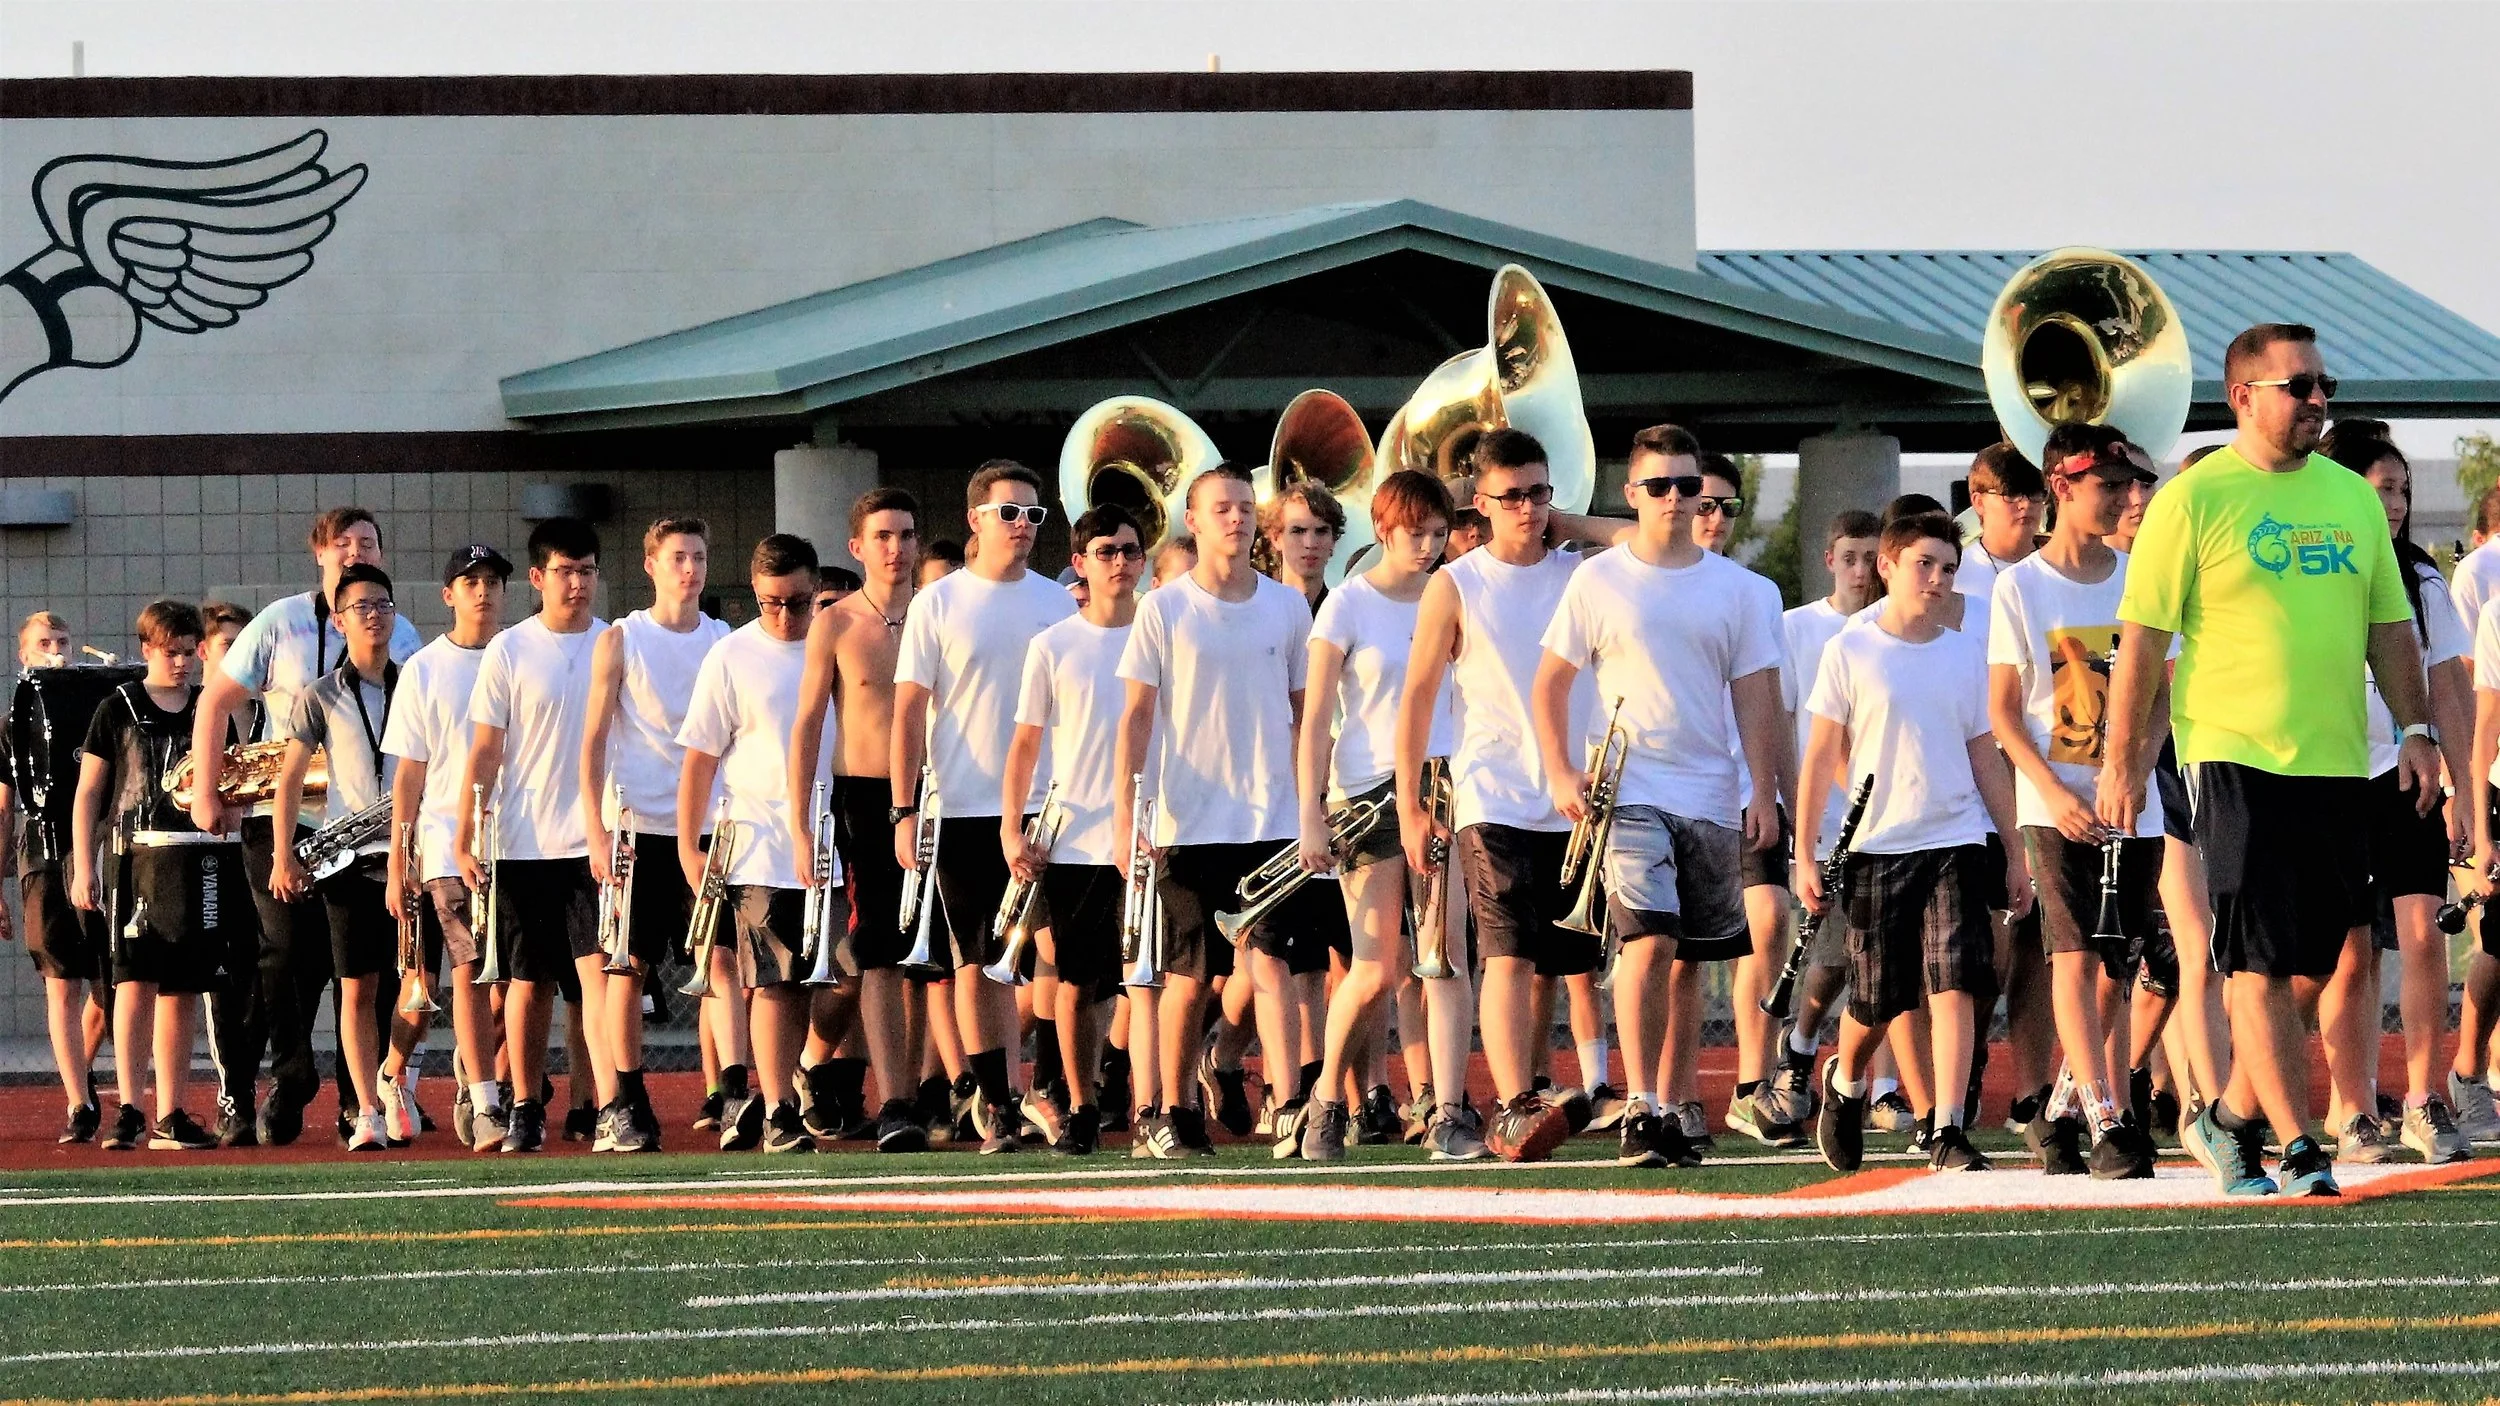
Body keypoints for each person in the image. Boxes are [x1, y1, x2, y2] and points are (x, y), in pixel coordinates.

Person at [2105, 322, 2439, 1199]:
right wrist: (2120, 759)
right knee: (2253, 963)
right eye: (2299, 386)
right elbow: (2142, 642)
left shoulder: (2351, 498)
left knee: (2321, 964)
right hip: (2230, 754)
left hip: (2335, 762)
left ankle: (2231, 1116)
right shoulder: (2193, 499)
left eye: (2323, 383)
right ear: (2245, 395)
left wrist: (2417, 729)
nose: (2318, 400)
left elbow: (2389, 628)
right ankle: (2300, 1145)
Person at [1535, 439, 1784, 1170]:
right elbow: (1551, 681)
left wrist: (1763, 791)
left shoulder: (1737, 589)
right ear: (1632, 492)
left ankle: (1674, 1108)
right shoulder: (1597, 581)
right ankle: (1640, 1107)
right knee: (1649, 941)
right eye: (1659, 486)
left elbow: (1757, 696)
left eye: (1686, 485)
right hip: (1630, 790)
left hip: (1710, 793)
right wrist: (1558, 768)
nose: (1675, 498)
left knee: (1689, 962)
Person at [1799, 512, 2032, 1173]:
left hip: (1959, 837)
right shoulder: (1851, 646)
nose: (1937, 579)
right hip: (1879, 845)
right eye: (1924, 564)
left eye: (1948, 568)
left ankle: (1947, 1128)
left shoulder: (1966, 653)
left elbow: (1984, 753)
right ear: (1888, 566)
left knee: (1958, 978)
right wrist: (1803, 856)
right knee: (1879, 996)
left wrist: (2014, 850)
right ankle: (1844, 1082)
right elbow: (1822, 754)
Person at [188, 507, 422, 1147]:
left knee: (371, 966)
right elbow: (214, 701)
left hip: (370, 825)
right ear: (319, 551)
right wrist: (208, 791)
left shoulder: (402, 634)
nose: (354, 552)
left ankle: (362, 1100)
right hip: (283, 821)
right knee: (286, 954)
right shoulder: (279, 621)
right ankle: (290, 1079)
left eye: (368, 543)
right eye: (342, 543)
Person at [1396, 428, 1586, 1164]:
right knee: (1505, 952)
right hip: (1492, 791)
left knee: (1554, 964)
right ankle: (1510, 1107)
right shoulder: (1458, 582)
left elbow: (1647, 536)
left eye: (1541, 494)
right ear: (1482, 503)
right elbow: (1415, 697)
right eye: (1513, 497)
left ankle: (1530, 1087)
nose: (1530, 509)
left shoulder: (1581, 574)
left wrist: (1569, 525)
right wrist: (1412, 806)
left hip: (1571, 795)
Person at [1114, 463, 1311, 1158]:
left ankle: (1290, 1106)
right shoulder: (1164, 608)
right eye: (1220, 508)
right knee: (1188, 976)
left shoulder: (1288, 606)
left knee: (1270, 966)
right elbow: (1136, 715)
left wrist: (1311, 807)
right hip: (1186, 820)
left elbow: (1301, 715)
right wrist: (1125, 816)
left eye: (1244, 507)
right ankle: (1171, 1109)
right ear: (1193, 521)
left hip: (1271, 819)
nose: (1237, 518)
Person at [1987, 423, 2167, 1178]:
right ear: (2062, 485)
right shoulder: (2020, 585)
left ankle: (2061, 1113)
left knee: (2116, 966)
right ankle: (2106, 1115)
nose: (2126, 499)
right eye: (2109, 486)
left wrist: (2134, 767)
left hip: (2133, 803)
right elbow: (2002, 710)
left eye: (2130, 486)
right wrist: (2055, 793)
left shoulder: (2139, 576)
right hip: (2056, 805)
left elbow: (2161, 692)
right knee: (2072, 951)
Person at [1296, 471, 1485, 1162]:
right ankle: (1324, 1100)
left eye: (1440, 534)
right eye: (1416, 534)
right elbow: (1315, 720)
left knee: (1445, 960)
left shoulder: (1462, 591)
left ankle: (1448, 1112)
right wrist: (1310, 815)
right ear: (1382, 529)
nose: (1430, 547)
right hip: (1365, 794)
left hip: (1445, 789)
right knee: (1375, 968)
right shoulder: (1346, 604)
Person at [892, 461, 1077, 1153]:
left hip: (1050, 807)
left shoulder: (1058, 605)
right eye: (1010, 513)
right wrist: (902, 809)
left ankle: (1054, 1087)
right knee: (979, 960)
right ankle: (995, 1101)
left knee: (1060, 957)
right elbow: (908, 711)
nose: (1024, 526)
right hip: (965, 805)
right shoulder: (937, 604)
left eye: (1034, 515)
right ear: (976, 519)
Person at [2314, 428, 2475, 1165]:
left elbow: (2449, 686)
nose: (2398, 503)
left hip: (2409, 777)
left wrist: (2464, 789)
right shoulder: (2313, 571)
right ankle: (2352, 1107)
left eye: (2403, 489)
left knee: (2422, 935)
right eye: (2383, 487)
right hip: (2333, 778)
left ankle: (2420, 1099)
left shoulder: (2423, 580)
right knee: (2349, 955)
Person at [456, 517, 611, 1155]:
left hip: (596, 841)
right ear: (540, 579)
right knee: (527, 981)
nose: (577, 584)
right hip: (522, 842)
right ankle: (524, 1104)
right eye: (564, 572)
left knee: (600, 974)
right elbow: (486, 750)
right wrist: (466, 831)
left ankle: (609, 1102)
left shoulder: (615, 642)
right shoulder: (511, 650)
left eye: (588, 571)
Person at [792, 487, 938, 1152]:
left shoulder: (942, 613)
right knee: (879, 950)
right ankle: (897, 1101)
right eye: (883, 535)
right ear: (858, 546)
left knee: (937, 956)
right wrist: (801, 825)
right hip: (866, 798)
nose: (897, 548)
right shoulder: (838, 622)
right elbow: (806, 726)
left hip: (945, 795)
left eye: (907, 535)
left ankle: (943, 1090)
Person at [578, 518, 730, 1154]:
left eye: (698, 556)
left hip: (711, 828)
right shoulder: (622, 639)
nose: (689, 569)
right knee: (627, 967)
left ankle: (732, 1092)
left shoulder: (724, 639)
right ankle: (624, 1100)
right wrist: (595, 829)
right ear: (651, 566)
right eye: (676, 558)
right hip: (638, 826)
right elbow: (589, 742)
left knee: (723, 962)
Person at [678, 533, 833, 1154]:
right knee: (771, 981)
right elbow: (699, 758)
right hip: (759, 842)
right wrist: (690, 845)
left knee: (822, 983)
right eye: (771, 603)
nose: (785, 616)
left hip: (831, 835)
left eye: (797, 602)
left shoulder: (834, 642)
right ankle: (776, 1109)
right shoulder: (732, 655)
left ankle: (791, 1085)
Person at [1004, 503, 1150, 1155]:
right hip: (1078, 835)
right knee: (1078, 982)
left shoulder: (1165, 631)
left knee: (1154, 979)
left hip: (1156, 830)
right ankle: (1081, 1103)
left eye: (1129, 551)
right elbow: (1025, 745)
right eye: (1106, 551)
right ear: (1081, 563)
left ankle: (1158, 1108)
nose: (1120, 562)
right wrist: (1013, 828)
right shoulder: (1053, 644)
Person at [67, 600, 234, 1151]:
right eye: (172, 652)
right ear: (146, 650)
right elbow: (89, 791)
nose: (183, 662)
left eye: (190, 652)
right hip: (135, 858)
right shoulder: (117, 706)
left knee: (184, 988)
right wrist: (83, 865)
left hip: (195, 857)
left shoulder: (211, 708)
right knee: (133, 982)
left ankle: (172, 1111)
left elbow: (230, 785)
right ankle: (130, 1108)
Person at [268, 564, 408, 1153]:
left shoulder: (418, 683)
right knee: (357, 988)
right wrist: (281, 854)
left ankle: (395, 1079)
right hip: (348, 859)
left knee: (412, 988)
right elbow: (290, 782)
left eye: (382, 604)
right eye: (360, 607)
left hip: (412, 857)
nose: (372, 614)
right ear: (339, 619)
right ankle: (368, 1111)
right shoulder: (320, 694)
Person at [1679, 450, 1796, 1151]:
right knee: (1679, 956)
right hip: (1670, 791)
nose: (1713, 516)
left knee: (1768, 917)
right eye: (1701, 501)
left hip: (1739, 790)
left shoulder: (1755, 592)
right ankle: (1674, 1093)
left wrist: (1773, 789)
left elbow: (1768, 703)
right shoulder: (1634, 578)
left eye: (1726, 505)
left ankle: (1754, 1083)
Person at [382, 545, 516, 1153]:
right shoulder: (426, 667)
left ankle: (475, 1071)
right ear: (448, 594)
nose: (482, 591)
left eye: (492, 581)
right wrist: (398, 857)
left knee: (512, 980)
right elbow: (409, 773)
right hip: (445, 845)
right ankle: (482, 1096)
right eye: (470, 581)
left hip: (522, 836)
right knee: (467, 971)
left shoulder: (521, 653)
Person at [1760, 509, 1883, 1139]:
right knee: (1832, 959)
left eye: (1872, 558)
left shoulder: (1895, 627)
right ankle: (1801, 1045)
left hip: (1890, 824)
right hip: (1831, 820)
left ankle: (1881, 1086)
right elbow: (1784, 723)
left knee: (1889, 961)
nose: (1862, 571)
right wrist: (1790, 808)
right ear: (1830, 559)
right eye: (1851, 558)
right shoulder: (1797, 628)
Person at [3, 610, 114, 1143]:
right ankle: (77, 1101)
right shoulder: (14, 723)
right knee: (60, 980)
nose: (55, 649)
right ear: (23, 655)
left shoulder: (101, 706)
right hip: (45, 853)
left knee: (111, 983)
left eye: (63, 641)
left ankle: (83, 1070)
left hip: (99, 847)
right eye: (43, 643)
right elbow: (4, 809)